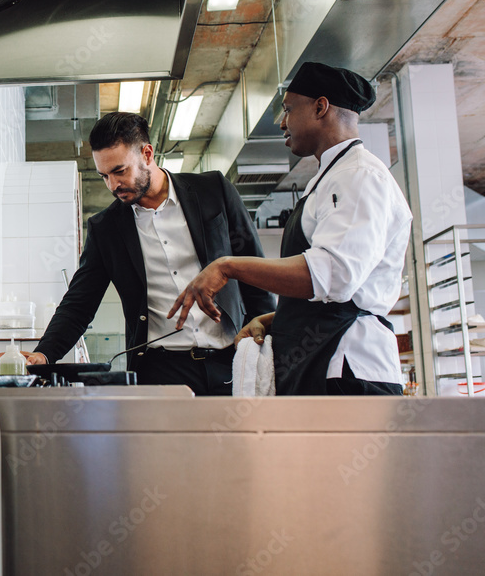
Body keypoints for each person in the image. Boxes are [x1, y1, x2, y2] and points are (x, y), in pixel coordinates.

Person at [169, 62, 413, 395]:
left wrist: (227, 266)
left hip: (347, 367)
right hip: (318, 363)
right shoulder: (329, 178)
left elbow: (334, 276)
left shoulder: (359, 176)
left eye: (287, 110)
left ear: (320, 107)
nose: (282, 122)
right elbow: (327, 293)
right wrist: (271, 320)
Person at [0, 112, 275, 396]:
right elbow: (79, 304)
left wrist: (272, 343)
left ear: (147, 154)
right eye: (104, 176)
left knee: (239, 440)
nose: (112, 185)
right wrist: (43, 354)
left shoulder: (212, 191)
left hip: (232, 358)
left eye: (119, 171)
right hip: (161, 370)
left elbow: (255, 272)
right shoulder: (106, 228)